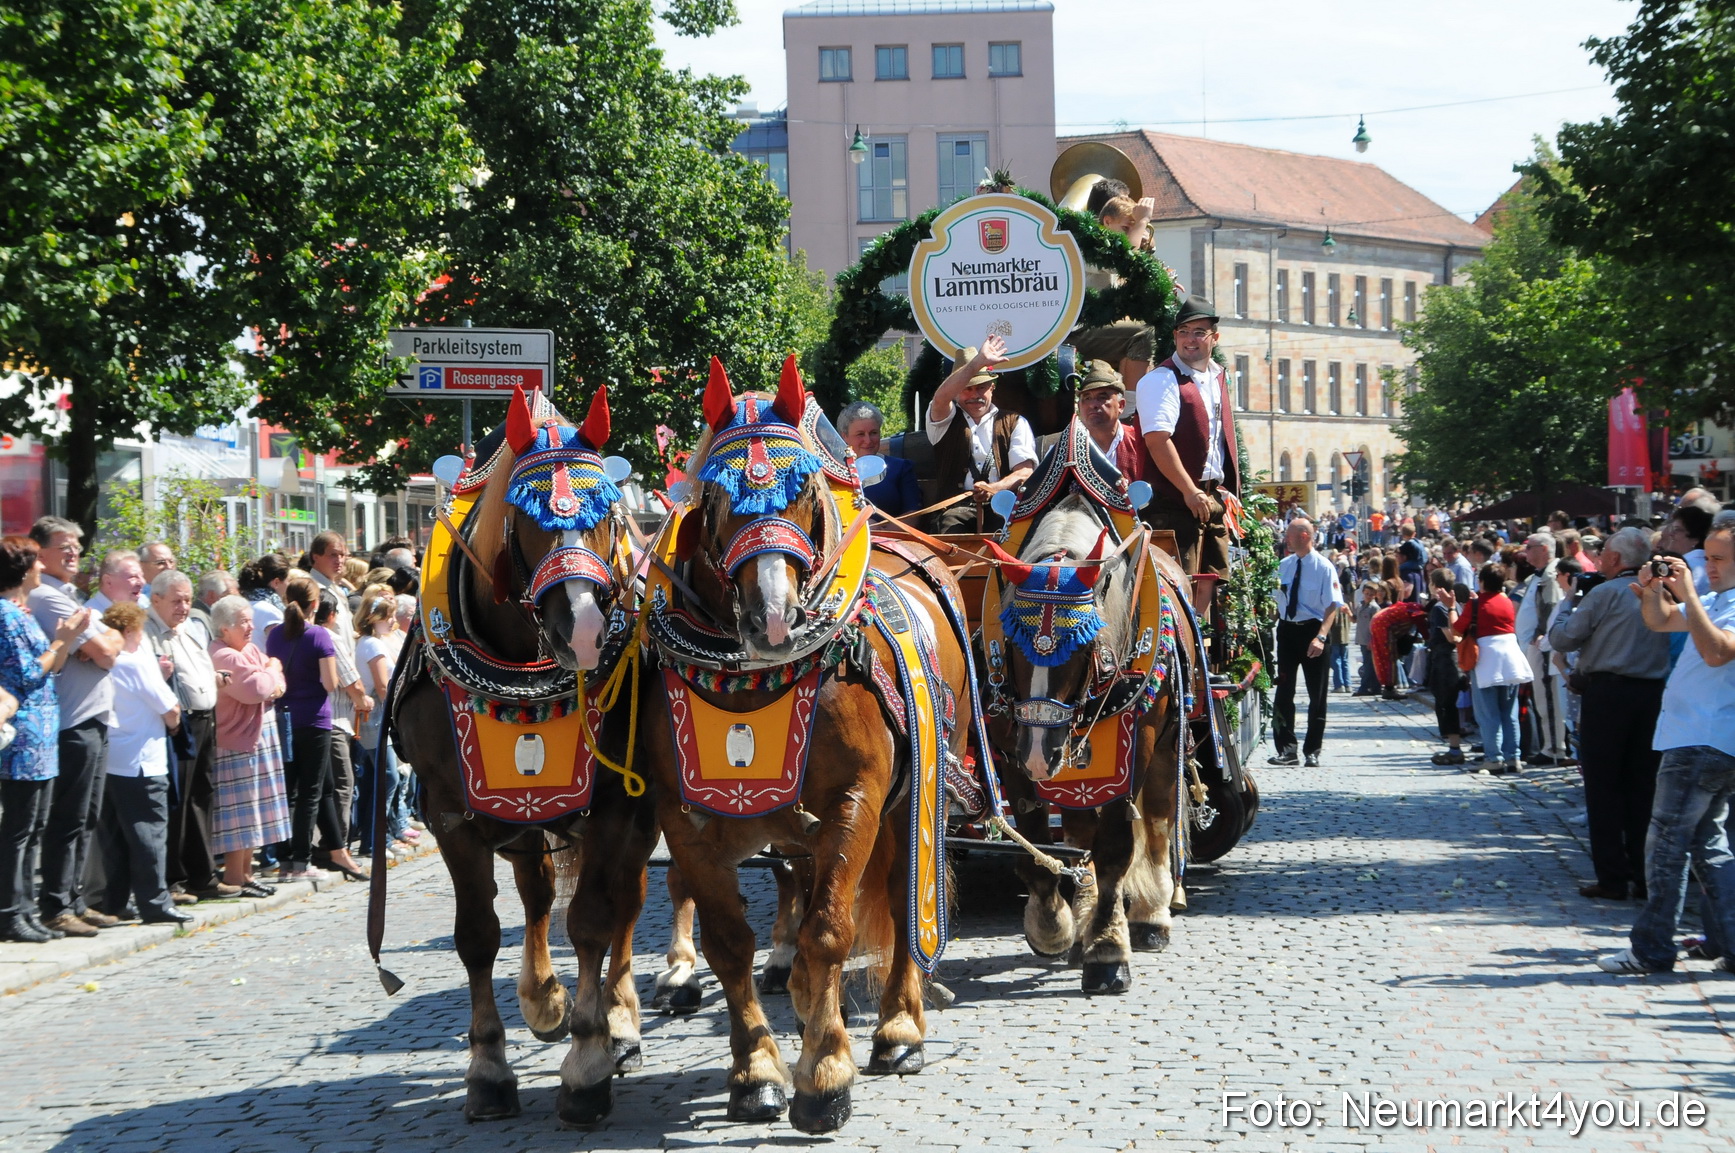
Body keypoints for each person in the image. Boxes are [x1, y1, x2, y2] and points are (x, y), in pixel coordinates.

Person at [1597, 525, 1735, 974]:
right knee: (1708, 847)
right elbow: (1659, 621)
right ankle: (1728, 942)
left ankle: (1653, 947)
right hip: (1695, 737)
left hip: (1704, 738)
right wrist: (1655, 591)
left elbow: (1716, 652)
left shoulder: (1720, 603)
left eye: (1718, 559)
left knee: (1665, 849)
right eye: (1706, 557)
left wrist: (1688, 593)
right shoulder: (1715, 601)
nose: (1708, 566)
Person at [1548, 527, 1673, 900]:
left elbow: (1563, 638)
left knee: (1603, 787)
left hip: (1609, 694)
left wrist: (1569, 601)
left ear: (1616, 559)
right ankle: (1643, 872)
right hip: (1651, 695)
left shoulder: (1603, 593)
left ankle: (1612, 877)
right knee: (1643, 787)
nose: (1599, 560)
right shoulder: (1661, 591)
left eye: (1603, 553)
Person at [26, 517, 124, 935]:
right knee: (67, 818)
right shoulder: (47, 596)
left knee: (87, 816)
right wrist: (100, 646)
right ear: (39, 551)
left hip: (96, 715)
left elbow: (116, 643)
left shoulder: (72, 595)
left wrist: (102, 645)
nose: (73, 554)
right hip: (73, 720)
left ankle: (75, 899)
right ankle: (55, 905)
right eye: (63, 547)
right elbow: (105, 649)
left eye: (77, 547)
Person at [0, 537, 89, 942]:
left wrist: (64, 641)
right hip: (23, 737)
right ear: (22, 569)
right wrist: (61, 640)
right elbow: (27, 674)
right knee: (19, 830)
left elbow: (49, 667)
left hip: (40, 734)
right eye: (36, 562)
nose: (42, 569)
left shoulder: (19, 613)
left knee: (33, 828)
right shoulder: (6, 614)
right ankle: (9, 913)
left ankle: (25, 909)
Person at [94, 601, 190, 925]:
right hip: (142, 758)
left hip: (113, 756)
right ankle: (155, 902)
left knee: (117, 837)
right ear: (133, 630)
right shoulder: (134, 662)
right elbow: (169, 709)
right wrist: (175, 726)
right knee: (149, 832)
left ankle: (116, 901)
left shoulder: (107, 661)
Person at [264, 576, 363, 881]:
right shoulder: (319, 635)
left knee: (301, 789)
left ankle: (316, 853)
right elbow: (330, 683)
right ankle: (300, 860)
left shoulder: (275, 635)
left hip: (285, 717)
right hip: (316, 719)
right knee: (310, 791)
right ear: (315, 604)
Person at [1136, 296, 1241, 579]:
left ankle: (1202, 626)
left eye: (1198, 332)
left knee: (1210, 581)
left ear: (1214, 338)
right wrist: (1189, 490)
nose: (1189, 339)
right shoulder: (1162, 379)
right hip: (1173, 502)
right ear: (1174, 336)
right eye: (1183, 331)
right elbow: (1157, 440)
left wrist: (1222, 490)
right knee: (1178, 587)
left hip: (1209, 497)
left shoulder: (1218, 377)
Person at [144, 569, 232, 900]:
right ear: (156, 600)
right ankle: (175, 878)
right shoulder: (148, 630)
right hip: (178, 723)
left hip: (205, 717)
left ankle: (203, 874)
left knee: (202, 797)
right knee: (179, 802)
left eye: (186, 599)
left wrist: (214, 678)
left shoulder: (192, 627)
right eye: (176, 600)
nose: (183, 606)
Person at [206, 595, 290, 897]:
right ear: (225, 627)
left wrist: (270, 677)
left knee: (255, 810)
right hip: (236, 743)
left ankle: (246, 873)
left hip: (258, 741)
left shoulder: (250, 649)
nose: (250, 627)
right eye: (243, 621)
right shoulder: (224, 655)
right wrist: (273, 669)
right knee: (239, 814)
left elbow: (277, 687)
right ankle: (234, 875)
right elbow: (257, 689)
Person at [923, 336, 1036, 534]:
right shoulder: (944, 420)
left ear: (992, 387)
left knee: (1016, 531)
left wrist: (994, 488)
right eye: (967, 389)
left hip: (1003, 507)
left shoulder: (1015, 422)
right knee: (951, 525)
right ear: (957, 392)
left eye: (981, 387)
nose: (974, 395)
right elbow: (940, 398)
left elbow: (1025, 473)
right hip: (955, 509)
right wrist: (977, 364)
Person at [306, 532, 373, 866]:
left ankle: (336, 844)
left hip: (346, 704)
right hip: (330, 699)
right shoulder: (313, 590)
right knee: (337, 781)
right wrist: (355, 687)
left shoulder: (339, 590)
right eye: (333, 554)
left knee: (341, 780)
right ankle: (334, 847)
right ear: (315, 556)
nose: (340, 560)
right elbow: (328, 644)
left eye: (344, 555)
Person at [1268, 517, 1345, 767]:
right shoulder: (1284, 565)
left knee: (1317, 694)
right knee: (1284, 691)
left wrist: (1321, 636)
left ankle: (1312, 750)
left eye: (1289, 535)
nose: (1285, 539)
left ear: (1303, 536)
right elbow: (1275, 602)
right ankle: (1287, 750)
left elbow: (1332, 605)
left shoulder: (1324, 567)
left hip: (1313, 631)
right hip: (1288, 631)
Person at [1445, 563, 1532, 774]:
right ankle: (1514, 757)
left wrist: (1450, 606)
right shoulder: (1507, 601)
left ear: (1481, 581)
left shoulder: (1476, 604)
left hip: (1486, 659)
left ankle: (1493, 758)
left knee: (1488, 713)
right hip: (1510, 656)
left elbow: (1456, 629)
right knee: (1509, 712)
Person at [1512, 532, 1566, 766]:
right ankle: (1550, 744)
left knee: (1548, 698)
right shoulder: (1539, 575)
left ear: (1544, 549)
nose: (1526, 552)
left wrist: (1540, 634)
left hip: (1542, 648)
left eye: (1530, 547)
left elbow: (1551, 607)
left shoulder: (1551, 576)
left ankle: (1554, 748)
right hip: (1533, 647)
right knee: (1542, 697)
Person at [837, 400, 921, 517]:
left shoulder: (900, 468)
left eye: (873, 433)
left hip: (891, 534)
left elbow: (913, 513)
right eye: (860, 434)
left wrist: (880, 530)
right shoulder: (834, 469)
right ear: (844, 436)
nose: (868, 440)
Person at [1073, 360, 1148, 481]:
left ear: (1121, 405)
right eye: (1087, 398)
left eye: (1102, 398)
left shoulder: (1140, 443)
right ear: (1079, 406)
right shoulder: (1067, 447)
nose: (1093, 404)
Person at [1423, 571, 1469, 764]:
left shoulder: (1440, 608)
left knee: (1446, 704)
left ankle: (1455, 749)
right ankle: (1454, 745)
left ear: (1435, 585)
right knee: (1449, 704)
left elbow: (1451, 636)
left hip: (1445, 659)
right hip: (1450, 657)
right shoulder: (1453, 604)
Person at [240, 553, 291, 641]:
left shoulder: (244, 603)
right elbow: (281, 648)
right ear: (276, 582)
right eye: (289, 580)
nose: (290, 584)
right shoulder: (271, 612)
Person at [84, 550, 145, 614]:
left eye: (142, 576)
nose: (142, 582)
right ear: (108, 582)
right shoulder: (91, 618)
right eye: (133, 577)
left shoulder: (140, 609)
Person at [1352, 580, 1383, 695]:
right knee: (1369, 664)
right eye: (1367, 593)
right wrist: (1347, 612)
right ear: (1363, 592)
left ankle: (1364, 688)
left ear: (1375, 595)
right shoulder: (1360, 605)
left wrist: (1372, 639)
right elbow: (1355, 619)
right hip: (1362, 639)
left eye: (1371, 594)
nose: (1368, 596)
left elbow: (1376, 625)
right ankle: (1375, 687)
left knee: (1368, 665)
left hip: (1369, 640)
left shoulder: (1374, 608)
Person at [191, 570, 235, 635]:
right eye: (229, 596)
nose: (234, 602)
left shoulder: (213, 616)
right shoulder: (197, 620)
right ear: (211, 595)